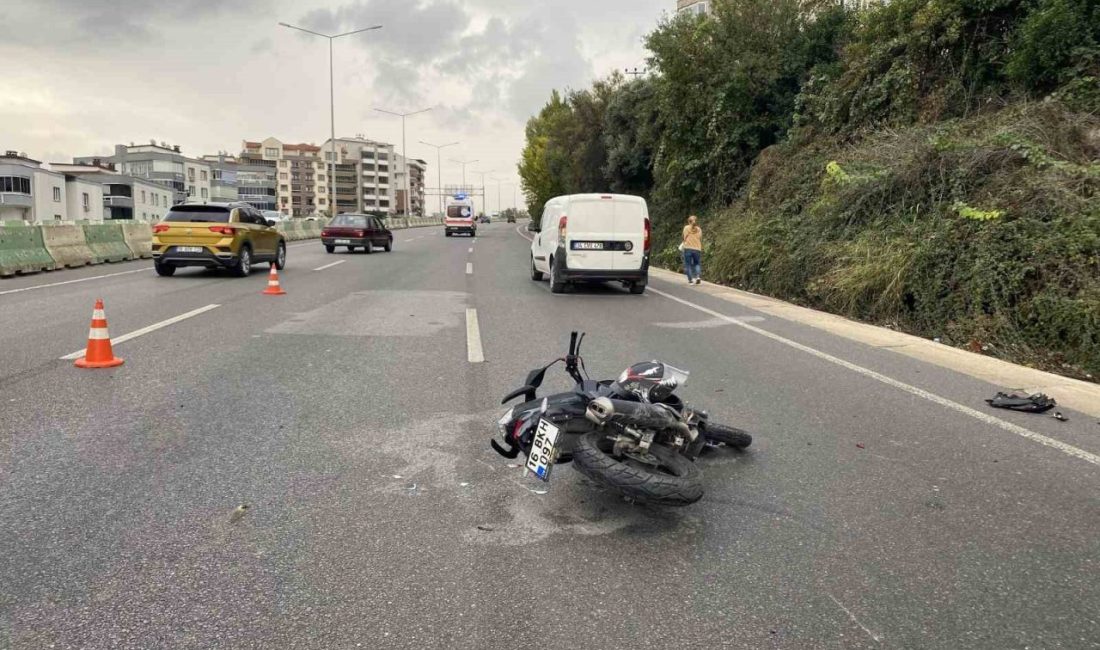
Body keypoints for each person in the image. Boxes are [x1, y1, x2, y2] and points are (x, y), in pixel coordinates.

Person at [682, 215, 703, 285]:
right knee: (697, 264)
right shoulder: (699, 229)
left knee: (688, 265)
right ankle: (698, 277)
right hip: (697, 248)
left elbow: (684, 238)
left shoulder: (686, 228)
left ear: (689, 221)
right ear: (696, 222)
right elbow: (700, 238)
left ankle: (691, 280)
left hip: (688, 248)